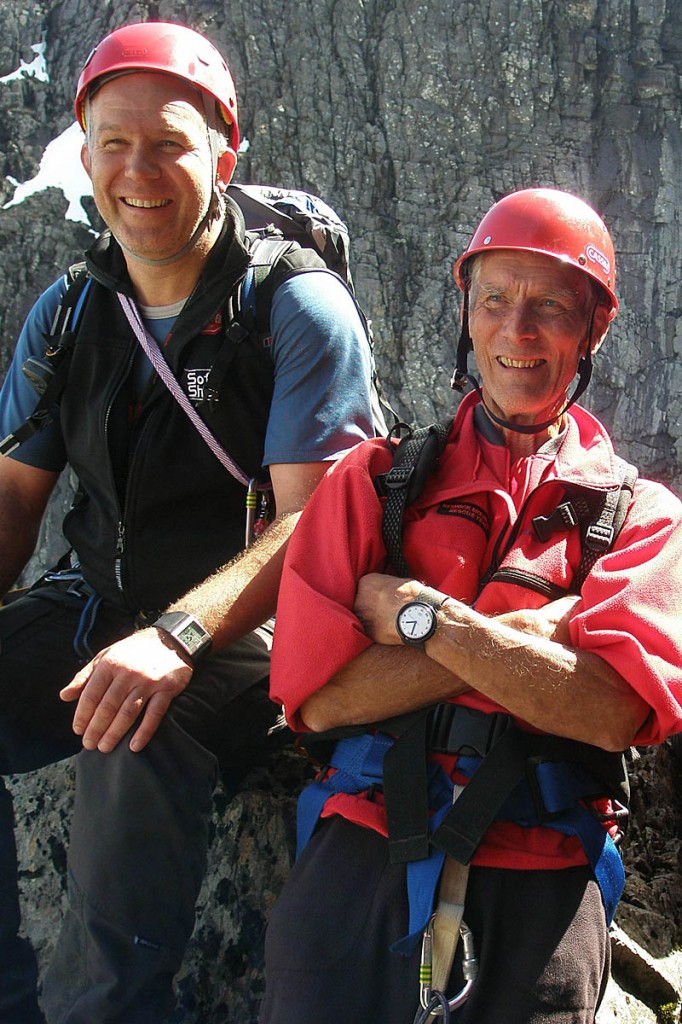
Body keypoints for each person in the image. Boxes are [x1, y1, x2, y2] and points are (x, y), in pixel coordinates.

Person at [0, 20, 381, 1024]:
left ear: (224, 148)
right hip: (106, 607)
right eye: (114, 144)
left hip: (254, 639)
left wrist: (173, 636)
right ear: (83, 154)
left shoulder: (292, 308)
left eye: (169, 142)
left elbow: (318, 525)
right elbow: (12, 497)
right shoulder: (71, 313)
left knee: (127, 731)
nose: (139, 170)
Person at [261, 188, 682, 1024]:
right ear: (466, 310)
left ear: (592, 330)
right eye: (495, 300)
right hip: (369, 839)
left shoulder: (642, 516)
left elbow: (608, 711)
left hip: (544, 858)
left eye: (551, 308)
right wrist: (532, 643)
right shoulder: (377, 481)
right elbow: (317, 697)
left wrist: (423, 618)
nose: (516, 332)